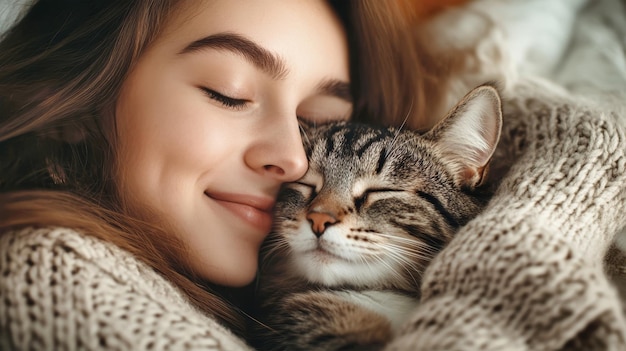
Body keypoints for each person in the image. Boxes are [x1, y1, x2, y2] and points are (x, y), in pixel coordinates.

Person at [0, 0, 431, 349]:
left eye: (315, 120)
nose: (295, 162)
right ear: (65, 102)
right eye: (228, 95)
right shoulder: (55, 281)